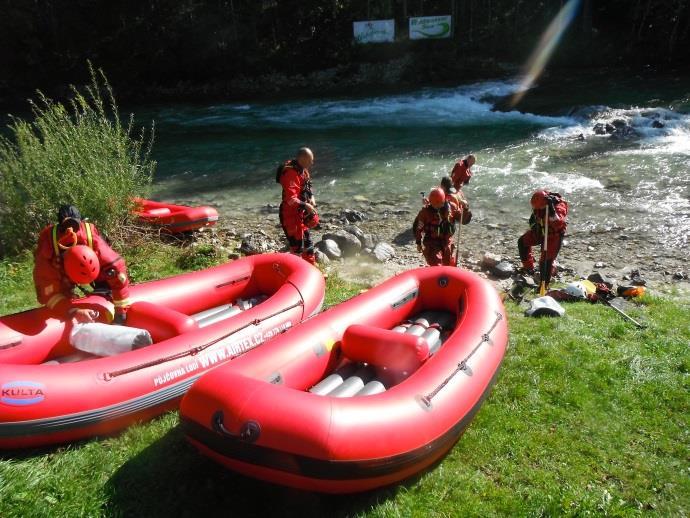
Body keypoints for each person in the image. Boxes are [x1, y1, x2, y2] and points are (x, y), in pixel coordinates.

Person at [33, 205, 131, 323]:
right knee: (61, 294)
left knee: (109, 284)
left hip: (94, 260)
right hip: (59, 271)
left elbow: (119, 278)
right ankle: (68, 294)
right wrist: (73, 311)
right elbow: (48, 294)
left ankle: (102, 290)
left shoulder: (97, 246)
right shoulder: (48, 255)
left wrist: (121, 313)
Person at [517, 190, 569, 289]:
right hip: (540, 230)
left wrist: (552, 210)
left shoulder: (559, 206)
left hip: (554, 235)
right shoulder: (539, 203)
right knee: (522, 242)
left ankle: (544, 285)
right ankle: (528, 267)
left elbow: (558, 223)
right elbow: (534, 217)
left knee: (545, 261)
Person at [277, 147, 318, 265]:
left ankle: (311, 269)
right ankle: (293, 269)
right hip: (289, 215)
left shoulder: (303, 171)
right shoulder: (290, 173)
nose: (312, 163)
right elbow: (290, 199)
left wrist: (312, 199)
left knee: (308, 245)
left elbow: (308, 188)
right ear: (302, 159)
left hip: (300, 213)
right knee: (297, 247)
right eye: (310, 160)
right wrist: (306, 205)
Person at [413, 187, 462, 266]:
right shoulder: (425, 212)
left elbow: (463, 219)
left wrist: (465, 208)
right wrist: (418, 243)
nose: (439, 206)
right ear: (431, 202)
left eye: (441, 204)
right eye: (436, 205)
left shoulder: (450, 207)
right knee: (436, 262)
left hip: (446, 240)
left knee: (447, 262)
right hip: (431, 241)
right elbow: (418, 228)